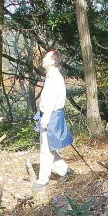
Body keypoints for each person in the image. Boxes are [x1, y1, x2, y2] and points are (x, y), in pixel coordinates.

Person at [34, 50, 72, 189]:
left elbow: (52, 101)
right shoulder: (51, 76)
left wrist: (46, 119)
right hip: (48, 114)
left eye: (46, 57)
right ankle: (65, 170)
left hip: (52, 115)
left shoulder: (55, 77)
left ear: (52, 61)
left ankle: (43, 180)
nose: (43, 59)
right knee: (49, 147)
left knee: (46, 149)